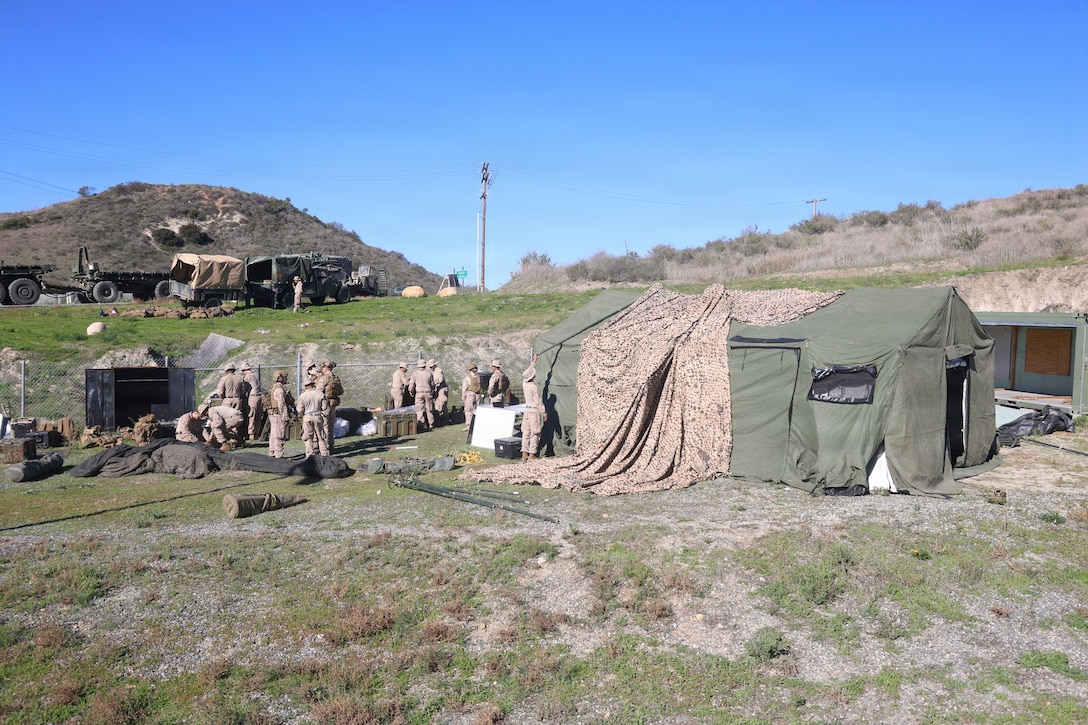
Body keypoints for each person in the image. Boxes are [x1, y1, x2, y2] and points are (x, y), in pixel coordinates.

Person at [520, 356, 545, 460]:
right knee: (535, 432)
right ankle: (532, 454)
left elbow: (527, 372)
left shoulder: (524, 384)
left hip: (527, 410)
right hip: (534, 411)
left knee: (526, 432)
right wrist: (544, 413)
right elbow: (538, 401)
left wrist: (534, 361)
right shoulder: (533, 387)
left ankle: (524, 453)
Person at [297, 378, 329, 456]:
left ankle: (310, 454)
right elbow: (324, 407)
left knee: (308, 437)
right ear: (313, 384)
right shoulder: (320, 394)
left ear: (305, 386)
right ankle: (324, 453)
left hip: (308, 416)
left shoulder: (303, 396)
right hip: (318, 416)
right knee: (321, 436)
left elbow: (299, 410)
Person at [318, 359, 341, 451]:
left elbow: (318, 391)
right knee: (331, 425)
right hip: (333, 403)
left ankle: (325, 446)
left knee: (325, 425)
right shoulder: (336, 379)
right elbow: (341, 391)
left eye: (323, 367)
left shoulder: (324, 378)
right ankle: (331, 444)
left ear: (326, 368)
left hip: (325, 404)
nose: (322, 369)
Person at [267, 369, 290, 458]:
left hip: (272, 413)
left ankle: (272, 451)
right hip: (278, 414)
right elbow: (281, 404)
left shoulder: (273, 388)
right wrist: (285, 416)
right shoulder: (280, 390)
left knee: (273, 433)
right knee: (279, 434)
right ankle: (278, 454)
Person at [408, 359, 435, 430]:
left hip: (419, 393)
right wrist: (431, 391)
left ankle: (421, 424)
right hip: (428, 392)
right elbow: (432, 384)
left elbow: (411, 384)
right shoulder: (429, 373)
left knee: (419, 409)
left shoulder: (415, 373)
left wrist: (411, 391)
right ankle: (431, 423)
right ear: (425, 365)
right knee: (429, 408)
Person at [240, 362, 264, 442]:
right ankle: (257, 432)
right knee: (258, 415)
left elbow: (244, 387)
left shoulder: (248, 376)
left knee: (252, 415)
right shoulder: (255, 375)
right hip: (260, 396)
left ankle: (251, 434)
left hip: (253, 397)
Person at [461, 363, 482, 431]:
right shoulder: (479, 377)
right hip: (478, 395)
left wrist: (463, 397)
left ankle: (469, 425)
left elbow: (464, 389)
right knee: (477, 410)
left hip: (470, 395)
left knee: (468, 410)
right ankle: (477, 423)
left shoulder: (467, 378)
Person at [428, 358, 448, 426]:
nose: (431, 368)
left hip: (442, 388)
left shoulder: (438, 371)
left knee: (442, 403)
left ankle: (444, 419)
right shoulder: (435, 371)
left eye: (431, 366)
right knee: (438, 403)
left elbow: (440, 379)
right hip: (438, 388)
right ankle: (440, 419)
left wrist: (434, 383)